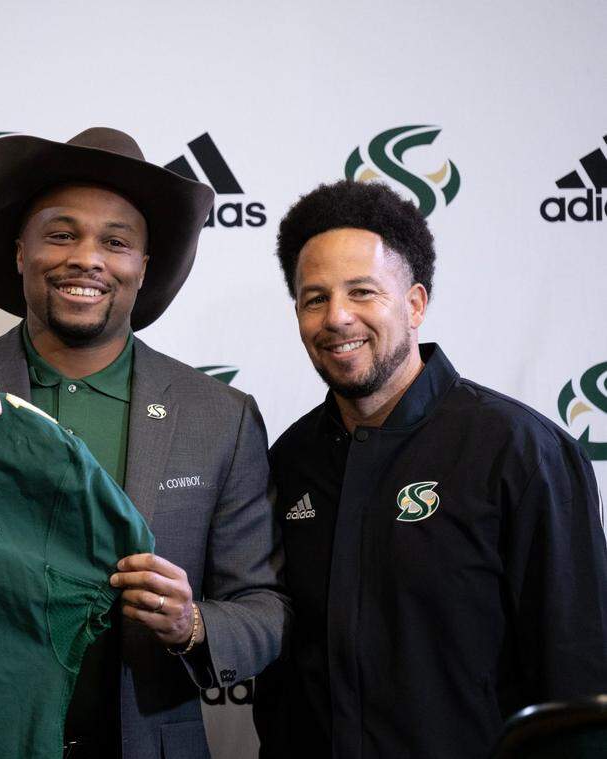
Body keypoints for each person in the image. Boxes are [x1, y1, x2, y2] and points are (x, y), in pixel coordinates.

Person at [0, 127, 289, 759]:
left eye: (116, 242)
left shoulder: (221, 417)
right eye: (60, 234)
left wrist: (191, 626)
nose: (87, 258)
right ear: (20, 252)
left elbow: (263, 607)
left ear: (142, 267)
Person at [254, 180, 607, 758]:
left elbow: (578, 680)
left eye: (362, 292)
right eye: (314, 298)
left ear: (415, 303)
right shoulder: (289, 461)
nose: (336, 317)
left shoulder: (522, 452)